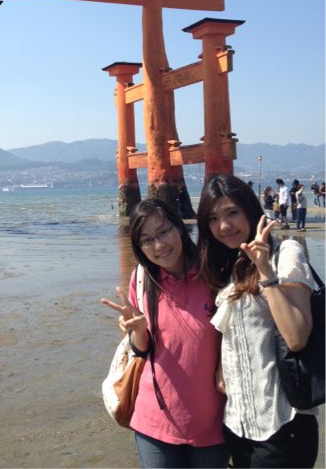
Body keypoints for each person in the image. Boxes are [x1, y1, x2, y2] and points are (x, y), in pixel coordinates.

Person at [197, 175, 318, 469]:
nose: (223, 226)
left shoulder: (286, 253)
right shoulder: (227, 265)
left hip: (281, 424)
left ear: (251, 210)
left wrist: (265, 271)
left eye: (232, 213)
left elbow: (297, 336)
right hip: (236, 424)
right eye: (213, 218)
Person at [101, 199, 228, 468]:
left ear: (179, 227)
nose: (159, 245)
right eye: (147, 240)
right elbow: (141, 351)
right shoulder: (141, 280)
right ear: (139, 247)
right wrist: (137, 332)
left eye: (163, 232)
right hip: (154, 422)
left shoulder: (212, 274)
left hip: (212, 420)